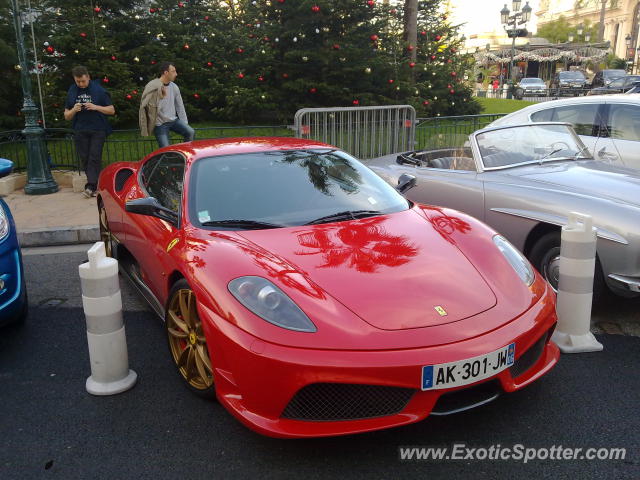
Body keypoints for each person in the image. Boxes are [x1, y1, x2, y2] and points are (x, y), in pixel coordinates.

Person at [63, 65, 115, 198]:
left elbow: (111, 110)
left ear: (88, 78)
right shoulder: (72, 91)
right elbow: (67, 115)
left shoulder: (99, 90)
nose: (80, 84)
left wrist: (96, 107)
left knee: (94, 157)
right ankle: (95, 185)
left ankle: (91, 186)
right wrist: (74, 109)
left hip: (98, 128)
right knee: (85, 158)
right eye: (78, 81)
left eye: (83, 81)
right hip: (80, 129)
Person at [139, 62, 195, 148]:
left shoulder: (174, 87)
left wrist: (185, 123)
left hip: (173, 120)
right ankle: (168, 160)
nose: (176, 74)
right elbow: (146, 107)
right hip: (159, 124)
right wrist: (159, 96)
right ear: (166, 73)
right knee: (165, 149)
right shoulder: (152, 86)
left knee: (190, 132)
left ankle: (185, 153)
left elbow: (180, 106)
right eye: (173, 71)